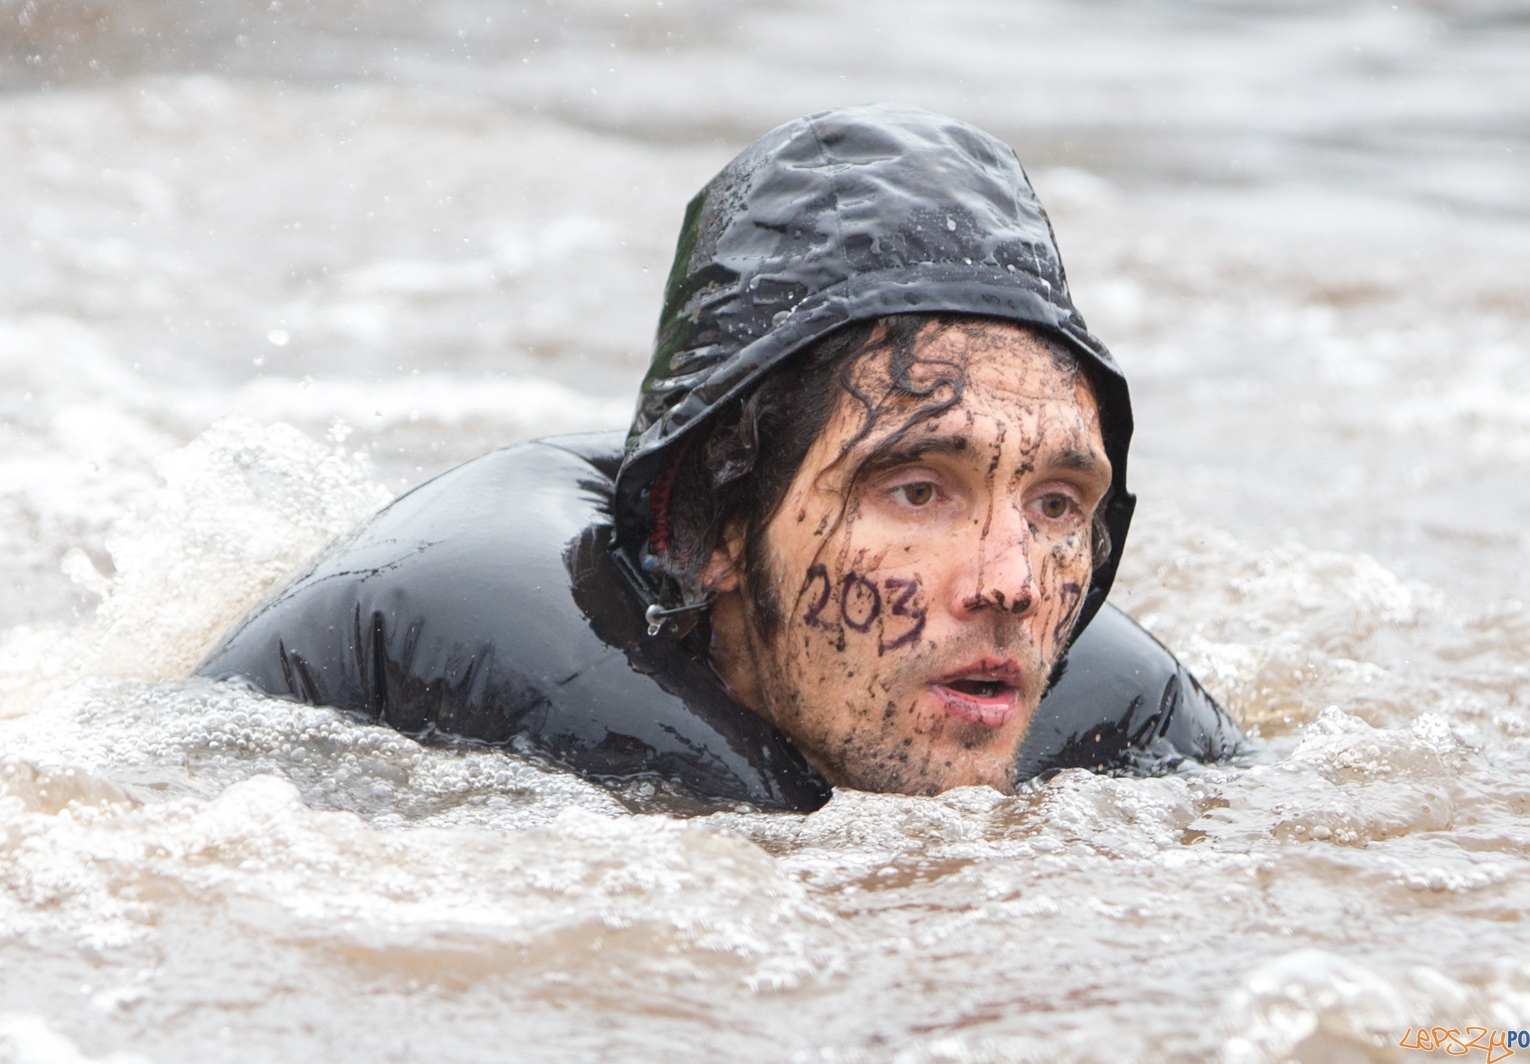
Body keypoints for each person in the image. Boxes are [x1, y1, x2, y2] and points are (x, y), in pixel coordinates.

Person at [198, 104, 1241, 809]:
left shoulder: (1120, 711)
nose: (1013, 585)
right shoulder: (449, 639)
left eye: (1057, 503)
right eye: (918, 490)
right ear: (713, 530)